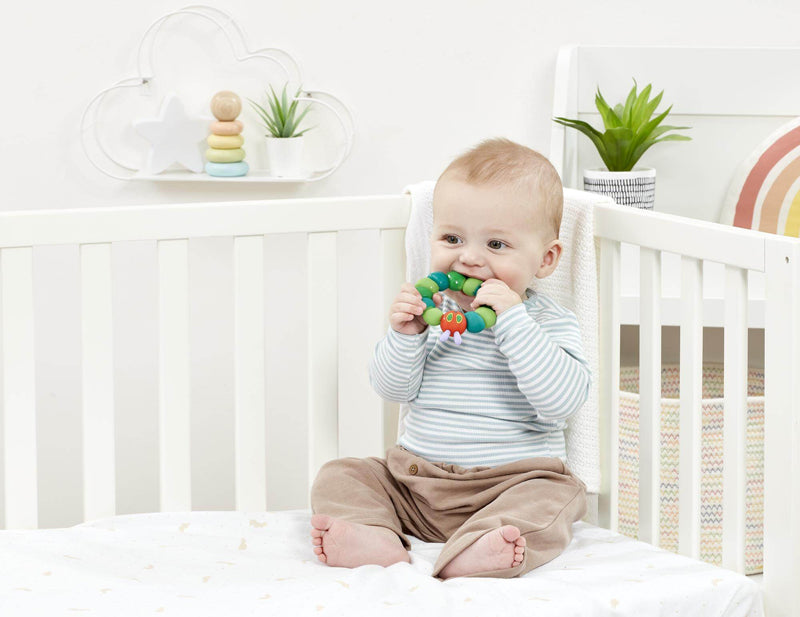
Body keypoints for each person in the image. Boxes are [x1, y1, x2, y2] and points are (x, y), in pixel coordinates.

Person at [309, 137, 590, 579]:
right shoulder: (434, 315)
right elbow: (391, 388)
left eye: (497, 245)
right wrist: (405, 336)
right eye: (452, 238)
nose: (470, 257)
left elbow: (560, 403)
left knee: (556, 499)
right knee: (343, 473)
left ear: (546, 258)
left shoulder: (547, 323)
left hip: (511, 484)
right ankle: (375, 535)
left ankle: (484, 544)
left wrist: (513, 322)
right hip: (416, 481)